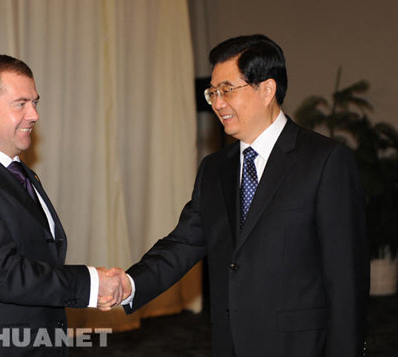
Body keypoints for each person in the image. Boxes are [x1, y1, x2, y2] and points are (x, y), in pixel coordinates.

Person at [121, 34, 369, 357]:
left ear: (267, 90)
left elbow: (347, 280)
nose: (218, 103)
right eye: (213, 93)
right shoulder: (214, 169)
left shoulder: (324, 161)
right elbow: (183, 243)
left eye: (227, 90)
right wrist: (130, 284)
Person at [0, 53, 130, 357]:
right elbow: (3, 274)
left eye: (35, 102)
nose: (34, 114)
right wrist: (93, 283)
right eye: (21, 104)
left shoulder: (18, 171)